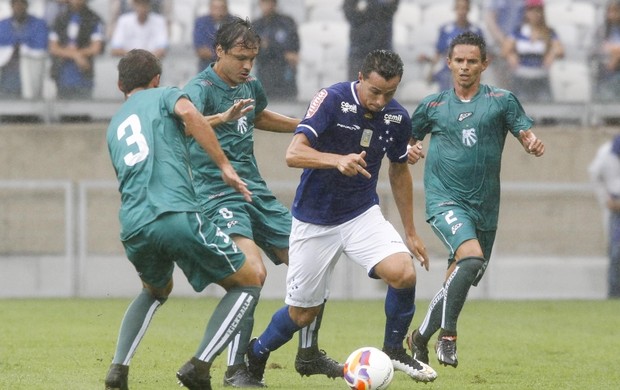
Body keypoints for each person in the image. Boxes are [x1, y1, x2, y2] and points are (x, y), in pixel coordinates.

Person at [245, 49, 438, 386]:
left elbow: (399, 169)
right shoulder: (331, 99)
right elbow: (294, 153)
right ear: (360, 78)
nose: (380, 101)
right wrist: (336, 160)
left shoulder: (396, 117)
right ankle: (257, 353)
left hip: (360, 213)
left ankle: (393, 348)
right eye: (375, 91)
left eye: (389, 93)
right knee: (303, 313)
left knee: (403, 273)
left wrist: (410, 230)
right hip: (313, 220)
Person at [183, 17, 342, 387]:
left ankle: (308, 352)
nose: (247, 66)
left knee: (312, 262)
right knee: (253, 272)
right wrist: (220, 118)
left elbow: (258, 115)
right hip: (217, 191)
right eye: (240, 57)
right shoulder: (199, 87)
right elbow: (184, 123)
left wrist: (304, 126)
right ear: (219, 51)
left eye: (252, 58)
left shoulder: (250, 84)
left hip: (254, 190)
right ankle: (236, 368)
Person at [103, 48, 262, 390]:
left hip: (133, 225)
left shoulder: (115, 125)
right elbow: (188, 113)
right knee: (249, 280)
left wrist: (219, 118)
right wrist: (224, 166)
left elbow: (175, 131)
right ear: (157, 80)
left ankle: (118, 369)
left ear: (120, 85)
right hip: (174, 213)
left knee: (155, 289)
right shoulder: (167, 94)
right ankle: (200, 366)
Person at [406, 31, 545, 369]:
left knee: (460, 276)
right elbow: (408, 141)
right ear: (448, 63)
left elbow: (524, 132)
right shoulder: (433, 105)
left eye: (472, 61)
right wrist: (409, 148)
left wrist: (531, 142)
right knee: (469, 258)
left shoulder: (501, 100)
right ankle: (448, 337)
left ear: (485, 64)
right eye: (459, 61)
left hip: (484, 205)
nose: (465, 67)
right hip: (445, 199)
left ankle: (419, 338)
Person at [503, 0, 564, 102]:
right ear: (526, 13)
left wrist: (552, 54)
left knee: (545, 107)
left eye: (538, 10)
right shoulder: (518, 31)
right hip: (521, 77)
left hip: (541, 77)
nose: (535, 14)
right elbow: (505, 50)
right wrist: (511, 55)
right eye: (531, 10)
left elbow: (560, 50)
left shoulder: (549, 32)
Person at [419, 0, 484, 92]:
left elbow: (482, 57)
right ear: (455, 9)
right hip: (448, 71)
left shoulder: (476, 31)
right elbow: (438, 54)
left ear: (469, 9)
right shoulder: (446, 30)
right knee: (445, 78)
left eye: (464, 8)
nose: (462, 12)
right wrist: (429, 65)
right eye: (459, 8)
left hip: (468, 72)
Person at [48, 0, 104, 100]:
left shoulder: (93, 18)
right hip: (62, 75)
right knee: (63, 110)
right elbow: (53, 47)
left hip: (84, 75)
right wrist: (75, 55)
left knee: (83, 109)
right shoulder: (60, 18)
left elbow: (96, 48)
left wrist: (79, 54)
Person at [589, 135, 620, 299]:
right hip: (615, 209)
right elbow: (594, 174)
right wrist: (605, 199)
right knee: (616, 253)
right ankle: (614, 295)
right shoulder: (606, 153)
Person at [0, 0, 49, 100]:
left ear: (26, 5)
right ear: (11, 6)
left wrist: (21, 47)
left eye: (21, 4)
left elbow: (41, 47)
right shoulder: (3, 25)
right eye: (15, 4)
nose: (18, 7)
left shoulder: (38, 24)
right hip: (8, 74)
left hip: (32, 72)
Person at [253, 0, 300, 101]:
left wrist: (269, 45)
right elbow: (255, 51)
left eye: (269, 3)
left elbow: (292, 49)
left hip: (285, 75)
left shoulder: (287, 22)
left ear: (275, 4)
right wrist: (282, 52)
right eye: (263, 3)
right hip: (264, 75)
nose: (266, 6)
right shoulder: (256, 25)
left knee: (287, 111)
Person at [343, 0, 399, 81]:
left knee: (382, 89)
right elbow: (350, 13)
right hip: (358, 52)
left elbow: (389, 9)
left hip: (383, 51)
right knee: (356, 88)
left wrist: (369, 7)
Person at [483, 0, 525, 88]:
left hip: (516, 45)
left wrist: (512, 43)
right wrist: (505, 42)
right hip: (498, 44)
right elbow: (490, 21)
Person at [193, 0, 234, 71]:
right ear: (210, 8)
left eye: (221, 7)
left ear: (226, 8)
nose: (219, 11)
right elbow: (201, 50)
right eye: (215, 7)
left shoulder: (234, 23)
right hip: (207, 69)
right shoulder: (201, 23)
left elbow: (237, 49)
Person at [594, 0, 620, 102]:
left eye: (615, 11)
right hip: (606, 73)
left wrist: (615, 53)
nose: (611, 15)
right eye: (609, 11)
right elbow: (598, 48)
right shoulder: (603, 30)